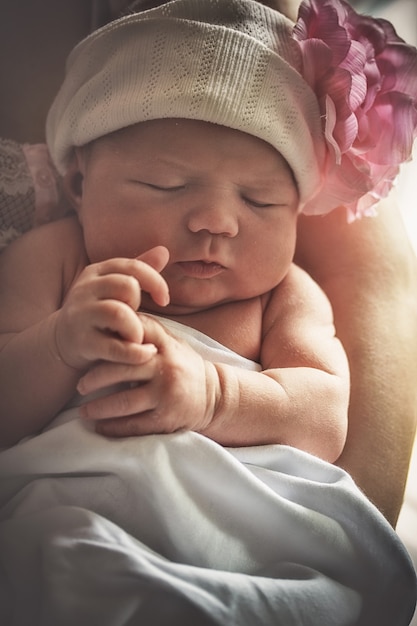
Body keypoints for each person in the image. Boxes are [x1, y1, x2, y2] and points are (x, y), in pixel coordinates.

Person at [0, 0, 416, 528]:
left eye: (259, 200)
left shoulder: (284, 295)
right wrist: (59, 344)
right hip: (65, 511)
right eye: (165, 185)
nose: (216, 221)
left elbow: (324, 418)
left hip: (232, 528)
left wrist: (217, 397)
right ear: (79, 185)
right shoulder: (55, 259)